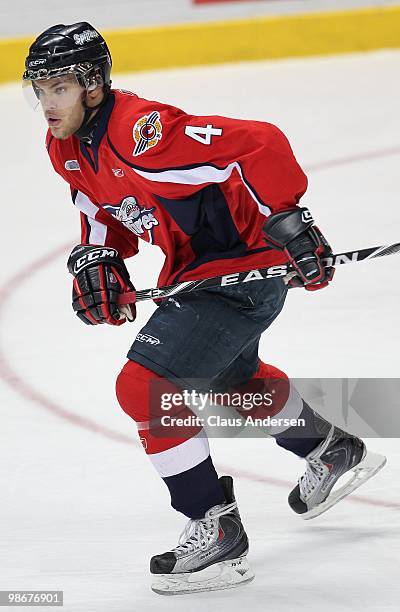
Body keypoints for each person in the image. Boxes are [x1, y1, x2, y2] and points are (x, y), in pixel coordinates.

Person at [23, 22, 386, 595]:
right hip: (196, 274)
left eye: (59, 88)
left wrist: (290, 222)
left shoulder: (142, 132)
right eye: (39, 90)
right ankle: (331, 451)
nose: (47, 104)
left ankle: (214, 528)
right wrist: (98, 259)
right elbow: (101, 211)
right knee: (230, 378)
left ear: (93, 85)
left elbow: (258, 142)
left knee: (142, 384)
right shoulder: (64, 146)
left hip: (244, 269)